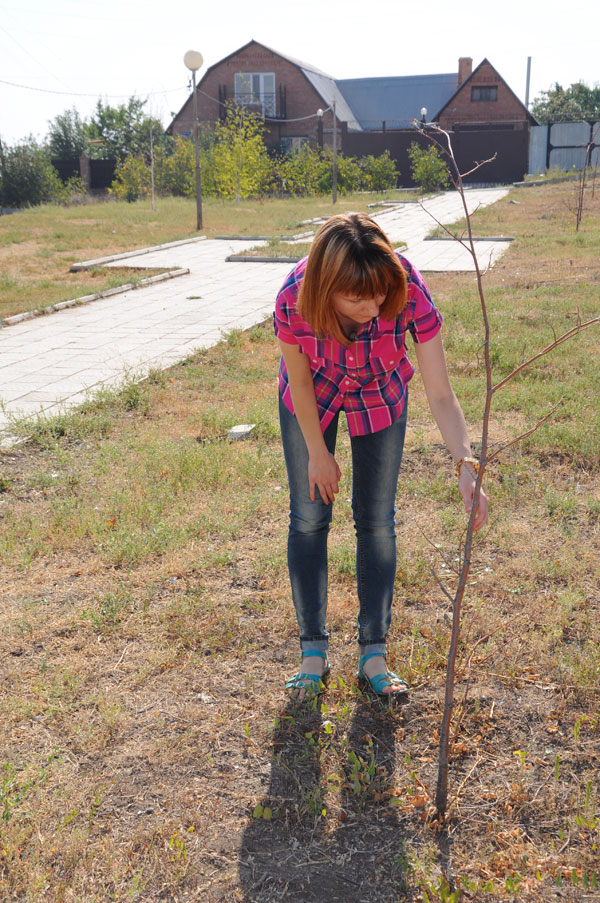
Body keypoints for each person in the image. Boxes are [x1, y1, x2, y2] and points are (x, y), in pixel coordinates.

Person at [273, 212, 488, 701]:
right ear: (325, 287)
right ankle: (313, 652)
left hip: (380, 391)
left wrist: (465, 464)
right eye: (355, 297)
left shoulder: (404, 285)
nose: (372, 305)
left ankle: (373, 651)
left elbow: (440, 393)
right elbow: (300, 381)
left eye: (379, 295)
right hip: (314, 393)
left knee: (376, 520)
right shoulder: (294, 297)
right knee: (308, 516)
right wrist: (316, 452)